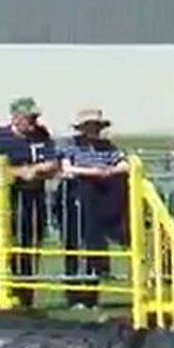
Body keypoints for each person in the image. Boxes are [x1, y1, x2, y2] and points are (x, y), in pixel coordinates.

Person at [0, 97, 59, 307]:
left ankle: (26, 294)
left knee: (31, 244)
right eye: (29, 117)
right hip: (8, 201)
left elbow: (52, 161)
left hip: (34, 199)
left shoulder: (41, 134)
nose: (33, 121)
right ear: (16, 117)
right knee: (4, 245)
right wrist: (18, 172)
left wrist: (36, 170)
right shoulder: (1, 138)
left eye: (35, 117)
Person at [59, 108, 130, 309]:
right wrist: (91, 172)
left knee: (95, 246)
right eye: (89, 126)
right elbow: (67, 168)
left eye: (96, 126)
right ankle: (74, 296)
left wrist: (109, 171)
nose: (93, 130)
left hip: (102, 201)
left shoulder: (108, 147)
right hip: (77, 200)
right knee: (76, 246)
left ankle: (91, 295)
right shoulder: (70, 146)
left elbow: (126, 165)